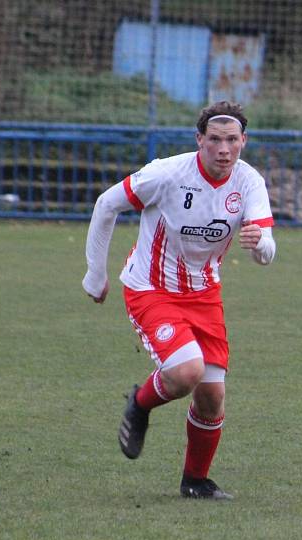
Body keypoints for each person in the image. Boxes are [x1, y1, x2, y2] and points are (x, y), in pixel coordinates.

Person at [82, 101, 276, 499]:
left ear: (244, 141)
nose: (224, 149)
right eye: (215, 140)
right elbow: (107, 204)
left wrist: (261, 245)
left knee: (212, 395)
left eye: (232, 140)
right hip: (151, 289)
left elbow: (265, 250)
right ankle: (140, 404)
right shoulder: (168, 173)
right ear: (200, 139)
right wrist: (95, 274)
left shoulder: (248, 182)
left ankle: (195, 482)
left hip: (204, 293)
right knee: (187, 373)